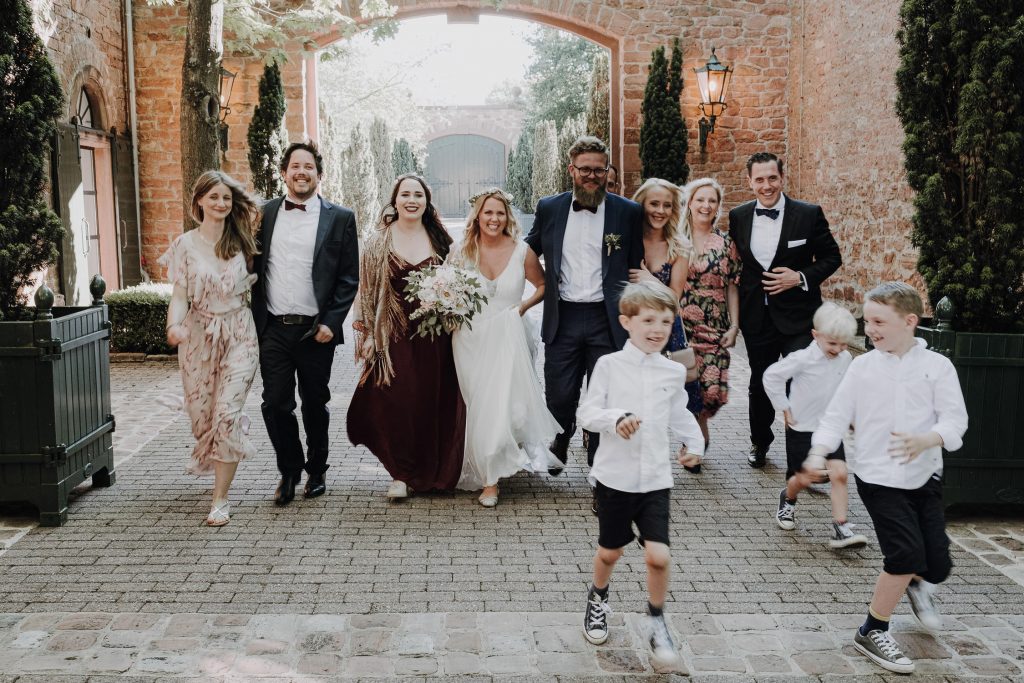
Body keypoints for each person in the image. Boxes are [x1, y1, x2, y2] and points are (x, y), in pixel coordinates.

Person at [810, 282, 967, 674]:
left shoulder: (937, 367)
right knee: (904, 554)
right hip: (878, 477)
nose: (871, 329)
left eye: (879, 321)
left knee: (938, 566)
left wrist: (928, 439)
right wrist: (817, 453)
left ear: (910, 321)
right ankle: (872, 629)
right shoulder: (862, 367)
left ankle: (916, 582)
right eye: (868, 321)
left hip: (925, 474)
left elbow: (955, 420)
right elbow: (834, 416)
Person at [577, 280, 705, 670]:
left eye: (666, 321)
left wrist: (694, 444)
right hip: (614, 479)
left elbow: (681, 412)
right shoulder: (608, 366)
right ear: (626, 322)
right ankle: (598, 597)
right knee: (609, 552)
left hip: (655, 480)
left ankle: (656, 619)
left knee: (658, 556)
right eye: (648, 320)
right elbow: (587, 414)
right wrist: (616, 419)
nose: (658, 329)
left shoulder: (671, 371)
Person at [524, 136, 644, 481]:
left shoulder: (627, 211)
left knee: (604, 391)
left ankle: (598, 459)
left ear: (607, 171)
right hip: (563, 314)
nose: (592, 176)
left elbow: (637, 259)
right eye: (585, 170)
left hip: (608, 318)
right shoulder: (550, 207)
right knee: (560, 391)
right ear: (571, 170)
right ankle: (562, 436)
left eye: (599, 170)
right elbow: (527, 249)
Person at [251, 141, 360, 505]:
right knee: (275, 403)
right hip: (274, 327)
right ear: (284, 173)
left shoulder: (340, 218)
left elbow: (348, 277)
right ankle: (289, 470)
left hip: (317, 330)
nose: (301, 172)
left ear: (319, 174)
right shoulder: (262, 215)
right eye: (294, 166)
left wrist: (332, 321)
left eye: (308, 166)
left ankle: (316, 469)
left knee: (315, 402)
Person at [347, 174, 466, 499]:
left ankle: (434, 472)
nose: (411, 200)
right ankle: (400, 473)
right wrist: (369, 333)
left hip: (436, 336)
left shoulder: (442, 241)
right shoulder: (378, 241)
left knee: (432, 399)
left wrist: (454, 306)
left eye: (418, 195)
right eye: (405, 194)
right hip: (395, 332)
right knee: (398, 400)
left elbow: (458, 282)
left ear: (426, 202)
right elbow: (368, 289)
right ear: (395, 200)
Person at [449, 189, 562, 507]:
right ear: (478, 216)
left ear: (507, 217)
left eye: (500, 213)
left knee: (499, 404)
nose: (494, 218)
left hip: (510, 334)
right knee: (479, 403)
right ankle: (493, 462)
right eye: (488, 213)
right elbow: (448, 287)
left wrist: (523, 308)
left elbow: (542, 285)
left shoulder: (522, 251)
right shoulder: (462, 251)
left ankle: (491, 481)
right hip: (470, 338)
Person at [729, 152, 841, 468]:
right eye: (760, 180)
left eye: (772, 178)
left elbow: (832, 258)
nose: (767, 186)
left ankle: (804, 456)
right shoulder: (738, 216)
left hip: (800, 318)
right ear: (750, 181)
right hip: (757, 318)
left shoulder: (808, 214)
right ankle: (759, 442)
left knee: (801, 383)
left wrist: (800, 277)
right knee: (761, 382)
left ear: (782, 177)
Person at [161, 170, 260, 527]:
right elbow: (180, 295)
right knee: (203, 417)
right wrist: (174, 326)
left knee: (225, 414)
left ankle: (220, 499)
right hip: (198, 337)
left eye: (226, 198)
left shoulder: (244, 242)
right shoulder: (184, 245)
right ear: (199, 201)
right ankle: (221, 440)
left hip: (239, 334)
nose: (220, 203)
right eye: (214, 197)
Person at [763, 302, 868, 548]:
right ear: (815, 335)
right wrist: (784, 406)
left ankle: (841, 527)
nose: (839, 349)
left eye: (844, 344)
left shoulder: (845, 359)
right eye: (832, 343)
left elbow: (846, 391)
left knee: (840, 474)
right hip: (802, 427)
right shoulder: (802, 358)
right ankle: (788, 499)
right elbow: (772, 376)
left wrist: (851, 417)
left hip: (830, 428)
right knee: (803, 478)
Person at [628, 178, 702, 472]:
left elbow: (674, 298)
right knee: (635, 393)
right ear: (642, 204)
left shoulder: (679, 246)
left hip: (667, 333)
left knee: (673, 392)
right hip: (632, 331)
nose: (660, 210)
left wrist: (647, 279)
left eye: (667, 205)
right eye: (654, 204)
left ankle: (690, 445)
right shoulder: (628, 239)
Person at [678, 177, 740, 447]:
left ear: (718, 206)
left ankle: (697, 427)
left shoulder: (727, 243)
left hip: (715, 325)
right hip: (682, 326)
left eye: (712, 201)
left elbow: (732, 286)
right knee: (688, 386)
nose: (706, 205)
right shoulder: (676, 240)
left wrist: (734, 326)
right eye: (700, 199)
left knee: (712, 391)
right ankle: (693, 441)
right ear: (690, 203)